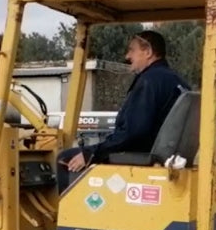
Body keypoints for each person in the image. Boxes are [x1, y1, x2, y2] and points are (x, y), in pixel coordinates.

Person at [56, 29, 191, 193]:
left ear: (147, 52)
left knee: (66, 158)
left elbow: (134, 133)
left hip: (143, 154)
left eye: (132, 50)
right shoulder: (177, 81)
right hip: (166, 154)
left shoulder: (149, 81)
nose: (128, 56)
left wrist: (91, 152)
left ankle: (68, 216)